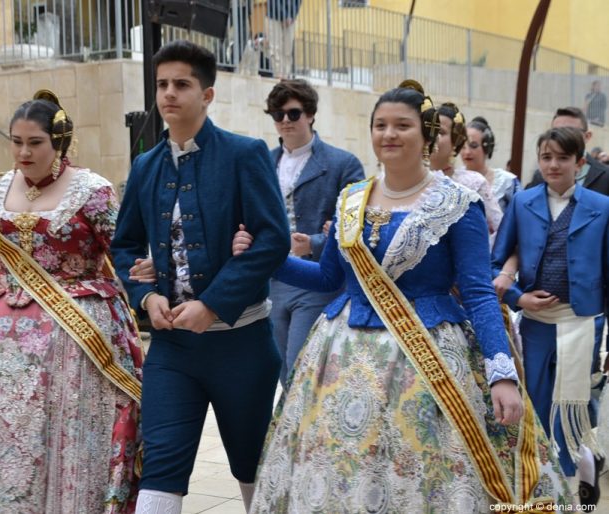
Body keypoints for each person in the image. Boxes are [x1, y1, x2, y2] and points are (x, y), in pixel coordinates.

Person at [236, 81, 569, 512]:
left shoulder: (458, 203)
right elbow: (328, 277)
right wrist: (269, 258)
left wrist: (501, 371)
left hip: (428, 360)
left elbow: (478, 293)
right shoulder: (351, 199)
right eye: (380, 125)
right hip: (340, 356)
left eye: (402, 125)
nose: (389, 134)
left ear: (426, 136)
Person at [0, 90, 143, 513]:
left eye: (34, 142)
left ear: (59, 142)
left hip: (73, 337)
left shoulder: (93, 192)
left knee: (56, 432)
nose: (23, 151)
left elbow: (124, 256)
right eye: (16, 141)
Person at [110, 40, 290, 514]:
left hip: (243, 344)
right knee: (162, 463)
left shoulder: (244, 154)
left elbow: (274, 240)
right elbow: (124, 245)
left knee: (251, 464)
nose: (168, 94)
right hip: (172, 351)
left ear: (207, 94)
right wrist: (146, 297)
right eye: (162, 84)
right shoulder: (146, 166)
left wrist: (211, 304)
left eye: (181, 84)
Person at [492, 126, 609, 506]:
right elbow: (495, 262)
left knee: (572, 404)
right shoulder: (522, 203)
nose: (554, 165)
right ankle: (540, 484)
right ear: (538, 161)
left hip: (583, 321)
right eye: (546, 157)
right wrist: (518, 297)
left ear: (580, 163)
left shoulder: (602, 208)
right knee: (537, 403)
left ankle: (576, 479)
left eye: (563, 158)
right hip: (536, 323)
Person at [264, 79, 364, 385]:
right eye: (277, 115)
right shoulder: (263, 161)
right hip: (270, 277)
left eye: (293, 114)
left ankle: (300, 431)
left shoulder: (342, 163)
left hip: (317, 277)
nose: (284, 121)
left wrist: (316, 242)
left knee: (301, 365)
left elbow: (354, 226)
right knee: (279, 367)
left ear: (310, 114)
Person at [429, 102, 503, 240]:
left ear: (456, 141)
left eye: (441, 132)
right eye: (430, 130)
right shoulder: (408, 181)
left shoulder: (474, 183)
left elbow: (501, 232)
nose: (433, 137)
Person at [527, 107, 609, 196]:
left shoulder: (605, 176)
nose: (563, 137)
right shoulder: (540, 176)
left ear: (587, 136)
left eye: (571, 131)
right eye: (556, 131)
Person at [461, 116, 520, 213]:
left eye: (473, 146)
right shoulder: (452, 179)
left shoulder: (507, 182)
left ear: (487, 147)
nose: (467, 152)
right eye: (463, 147)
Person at [265, 0, 302, 78]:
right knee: (275, 48)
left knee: (288, 49)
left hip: (290, 20)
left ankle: (285, 75)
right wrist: (285, 16)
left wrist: (292, 16)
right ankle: (278, 74)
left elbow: (298, 2)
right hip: (274, 16)